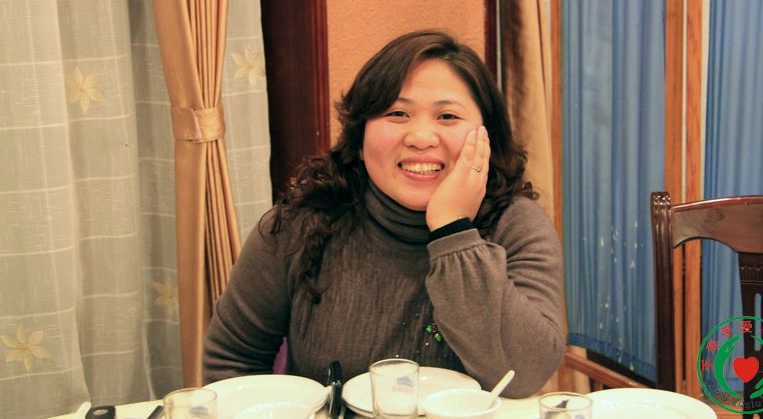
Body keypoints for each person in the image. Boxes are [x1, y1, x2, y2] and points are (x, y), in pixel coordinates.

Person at [203, 30, 565, 397]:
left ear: (487, 136)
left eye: (447, 116)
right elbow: (231, 363)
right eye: (397, 113)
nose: (421, 137)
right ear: (359, 139)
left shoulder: (515, 224)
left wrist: (453, 231)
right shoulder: (299, 225)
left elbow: (522, 376)